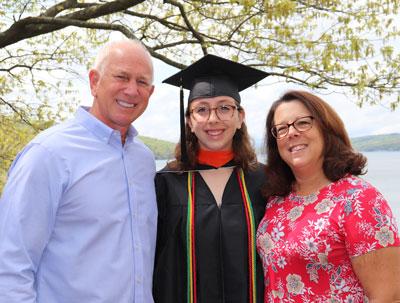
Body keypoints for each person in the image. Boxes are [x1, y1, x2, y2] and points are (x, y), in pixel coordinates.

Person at [0, 39, 158, 302]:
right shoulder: (49, 155)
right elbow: (10, 264)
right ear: (94, 81)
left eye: (142, 82)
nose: (132, 90)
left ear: (151, 93)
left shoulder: (143, 161)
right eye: (121, 77)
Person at [256, 90, 400, 302]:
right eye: (282, 128)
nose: (292, 133)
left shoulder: (359, 200)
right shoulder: (277, 200)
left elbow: (389, 296)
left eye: (303, 123)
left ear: (326, 128)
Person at [153, 54, 269, 303]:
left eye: (225, 107)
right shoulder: (165, 183)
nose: (213, 118)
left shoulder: (267, 181)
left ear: (240, 117)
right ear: (189, 121)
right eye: (201, 110)